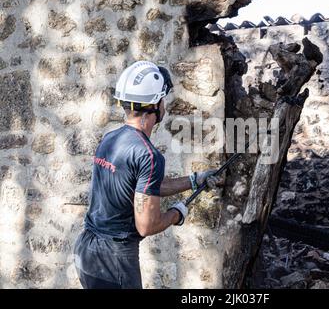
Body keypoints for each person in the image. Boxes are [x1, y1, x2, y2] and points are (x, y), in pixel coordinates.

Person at [73, 61, 220, 289]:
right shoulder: (148, 155)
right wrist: (176, 214)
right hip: (115, 262)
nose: (165, 105)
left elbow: (145, 187)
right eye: (163, 99)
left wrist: (194, 180)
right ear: (155, 104)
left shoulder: (110, 139)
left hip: (86, 253)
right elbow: (146, 226)